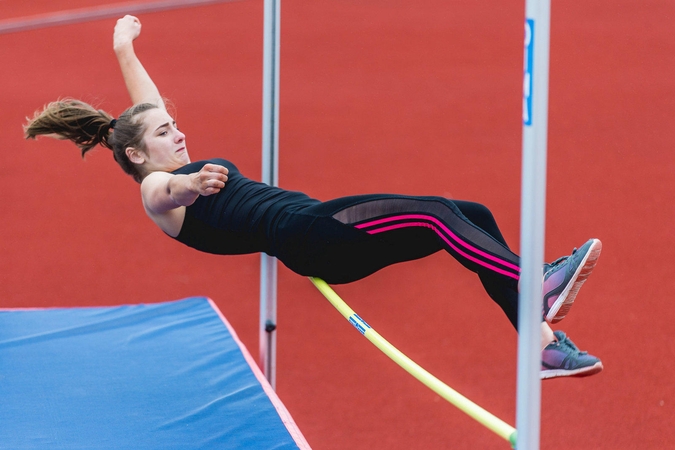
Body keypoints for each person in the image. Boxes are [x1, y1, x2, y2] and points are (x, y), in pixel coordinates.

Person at [24, 15, 603, 379]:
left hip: (315, 225)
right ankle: (533, 287)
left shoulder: (151, 147)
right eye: (162, 134)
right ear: (136, 156)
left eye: (173, 124)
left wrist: (123, 46)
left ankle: (543, 344)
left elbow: (146, 109)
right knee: (435, 214)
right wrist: (190, 184)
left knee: (467, 214)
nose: (176, 132)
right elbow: (162, 189)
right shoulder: (158, 189)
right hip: (312, 236)